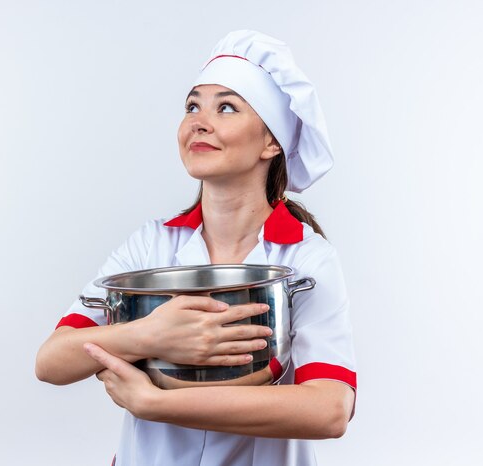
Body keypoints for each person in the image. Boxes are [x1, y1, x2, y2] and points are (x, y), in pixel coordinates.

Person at [36, 30, 357, 466]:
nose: (198, 122)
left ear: (271, 142)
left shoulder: (306, 259)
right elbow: (52, 361)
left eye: (226, 107)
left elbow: (330, 409)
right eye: (192, 106)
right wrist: (148, 334)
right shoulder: (150, 245)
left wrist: (154, 403)